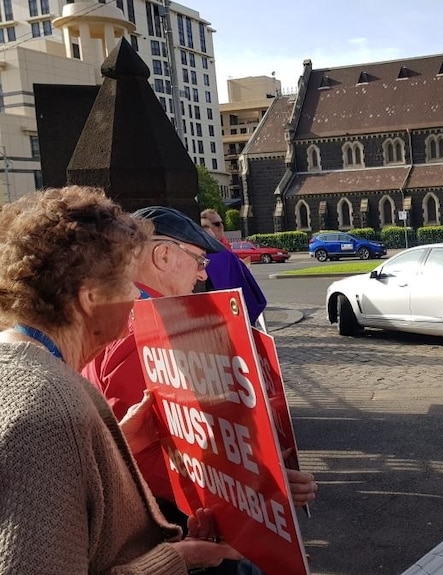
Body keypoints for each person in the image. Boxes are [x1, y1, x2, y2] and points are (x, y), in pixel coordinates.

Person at [0, 186, 240, 573]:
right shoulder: (46, 406)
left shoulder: (27, 369)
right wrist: (175, 558)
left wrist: (120, 444)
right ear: (90, 298)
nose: (135, 297)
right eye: (127, 282)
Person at [82, 205, 316, 575]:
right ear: (163, 255)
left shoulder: (125, 316)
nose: (205, 272)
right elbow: (142, 455)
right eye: (199, 260)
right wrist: (254, 489)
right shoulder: (145, 331)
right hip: (176, 525)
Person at [200, 209, 268, 324]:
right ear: (205, 229)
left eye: (222, 223)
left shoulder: (226, 251)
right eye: (216, 224)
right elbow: (253, 301)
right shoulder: (222, 257)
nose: (221, 226)